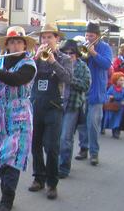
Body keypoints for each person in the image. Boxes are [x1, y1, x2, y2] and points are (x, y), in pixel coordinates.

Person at [0, 26, 37, 211]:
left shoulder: (29, 64)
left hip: (18, 113)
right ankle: (4, 194)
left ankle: (8, 200)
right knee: (1, 156)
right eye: (12, 42)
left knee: (12, 157)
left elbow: (15, 80)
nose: (15, 45)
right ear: (6, 45)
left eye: (19, 42)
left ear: (24, 44)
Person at [28, 23, 72, 200]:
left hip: (54, 107)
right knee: (35, 145)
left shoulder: (64, 58)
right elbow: (28, 77)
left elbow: (68, 78)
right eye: (43, 37)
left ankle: (52, 183)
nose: (45, 41)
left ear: (57, 39)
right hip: (37, 104)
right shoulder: (35, 57)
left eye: (49, 37)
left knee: (52, 147)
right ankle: (38, 178)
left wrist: (53, 61)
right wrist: (36, 59)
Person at [75, 22, 113, 166]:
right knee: (82, 123)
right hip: (82, 90)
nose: (88, 38)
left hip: (96, 91)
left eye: (91, 35)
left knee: (93, 123)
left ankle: (94, 153)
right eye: (87, 35)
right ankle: (83, 148)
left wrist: (94, 53)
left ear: (97, 36)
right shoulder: (83, 45)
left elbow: (106, 64)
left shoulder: (105, 48)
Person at [57, 40, 91, 179]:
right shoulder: (59, 63)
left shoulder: (82, 67)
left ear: (77, 54)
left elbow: (86, 85)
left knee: (66, 138)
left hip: (72, 106)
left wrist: (70, 79)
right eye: (66, 52)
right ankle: (55, 164)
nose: (69, 55)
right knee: (55, 138)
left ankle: (63, 167)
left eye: (72, 53)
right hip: (56, 105)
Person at [102, 72, 124, 139]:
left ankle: (117, 131)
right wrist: (109, 97)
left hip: (120, 107)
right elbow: (107, 95)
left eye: (123, 80)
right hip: (112, 106)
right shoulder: (112, 88)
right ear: (115, 80)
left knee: (119, 120)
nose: (122, 81)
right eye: (120, 80)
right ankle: (111, 129)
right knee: (112, 119)